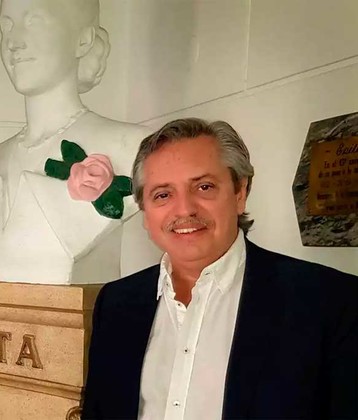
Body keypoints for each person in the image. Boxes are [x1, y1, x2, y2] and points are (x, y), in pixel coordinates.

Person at [82, 118, 357, 419]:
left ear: (240, 193)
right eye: (163, 194)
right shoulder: (115, 303)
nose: (185, 209)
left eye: (204, 187)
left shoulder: (331, 302)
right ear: (145, 212)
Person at [0, 0, 151, 284]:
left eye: (34, 21)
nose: (13, 42)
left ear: (83, 40)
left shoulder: (135, 147)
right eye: (6, 25)